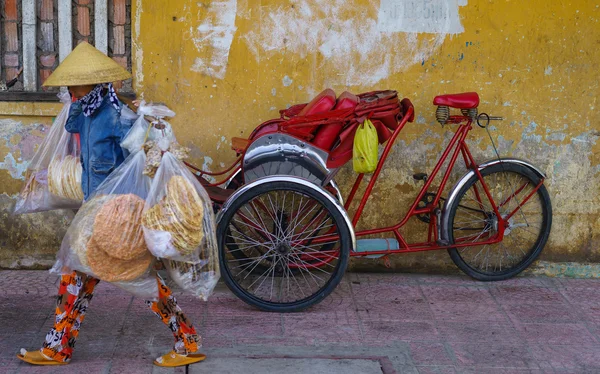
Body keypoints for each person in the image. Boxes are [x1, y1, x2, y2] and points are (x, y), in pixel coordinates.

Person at [16, 42, 205, 368]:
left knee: (144, 284)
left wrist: (150, 127)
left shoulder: (119, 116)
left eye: (74, 83)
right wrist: (73, 103)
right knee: (75, 278)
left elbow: (145, 157)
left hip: (117, 217)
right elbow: (71, 127)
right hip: (94, 214)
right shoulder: (85, 112)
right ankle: (57, 348)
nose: (69, 88)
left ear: (94, 83)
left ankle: (188, 341)